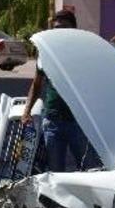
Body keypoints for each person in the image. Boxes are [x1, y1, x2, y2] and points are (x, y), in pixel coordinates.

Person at [22, 10, 99, 171]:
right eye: (56, 28)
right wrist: (27, 111)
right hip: (52, 121)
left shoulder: (83, 53)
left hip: (79, 122)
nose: (59, 31)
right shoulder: (46, 54)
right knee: (55, 173)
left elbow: (94, 84)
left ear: (73, 29)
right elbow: (37, 84)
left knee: (89, 170)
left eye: (64, 27)